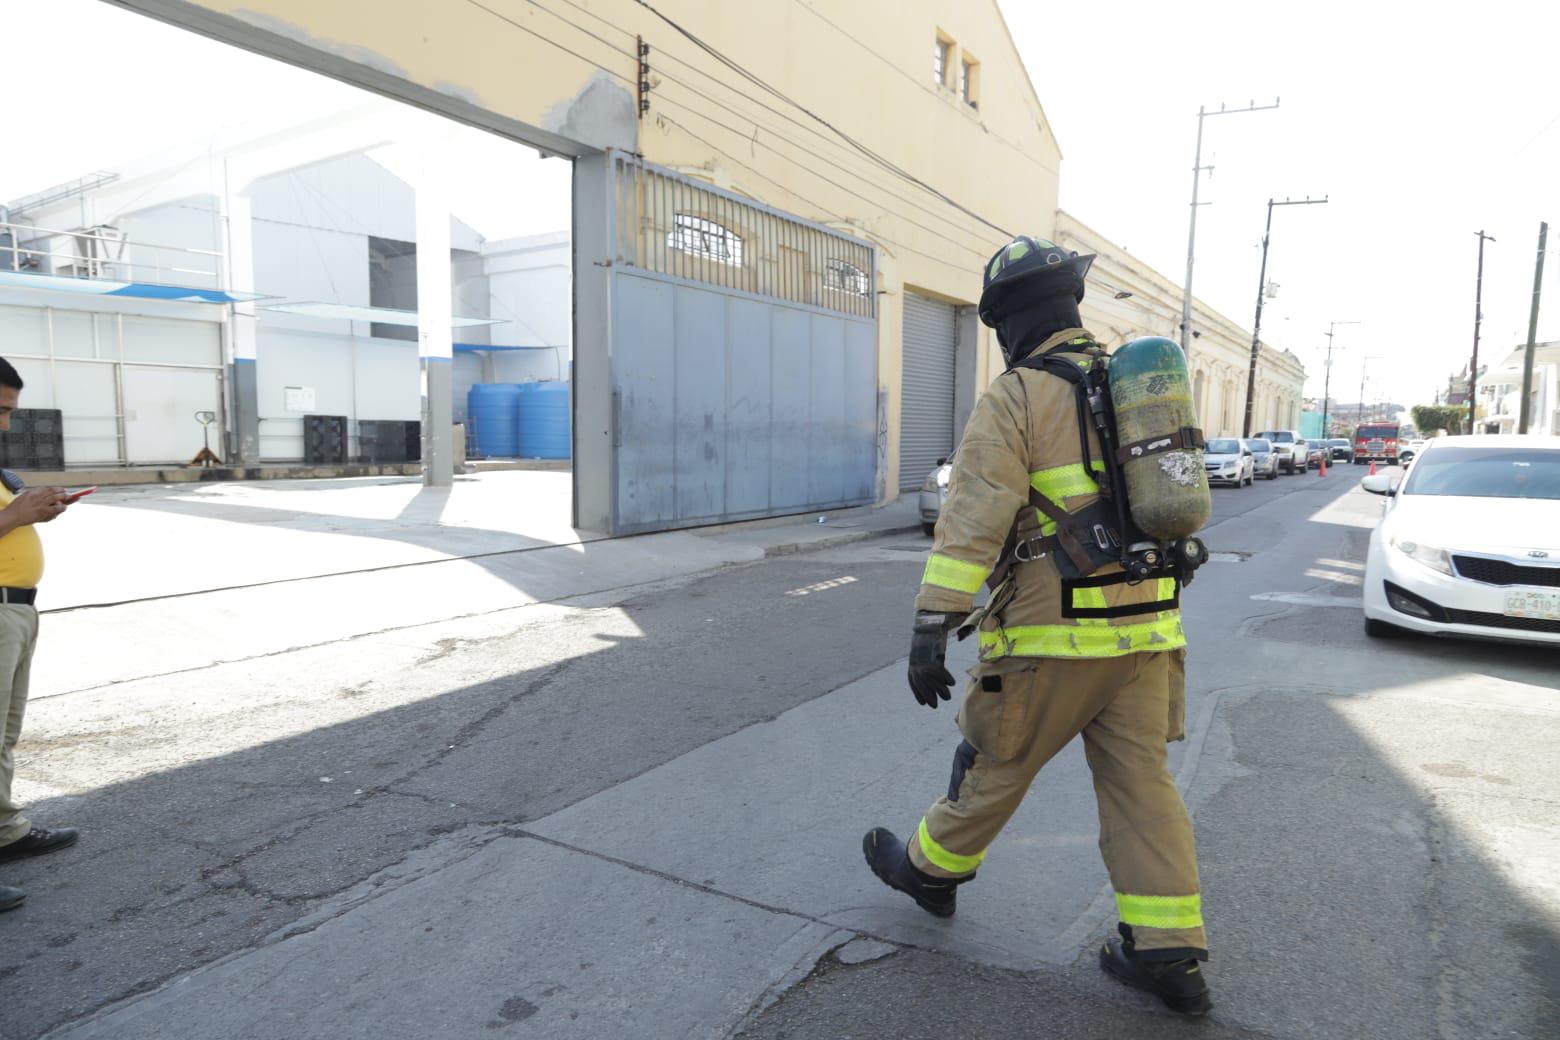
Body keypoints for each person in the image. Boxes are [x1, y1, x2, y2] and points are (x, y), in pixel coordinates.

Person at [862, 237, 1212, 1014]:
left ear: (1010, 322)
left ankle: (929, 871)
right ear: (1069, 305)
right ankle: (1170, 954)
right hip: (1150, 630)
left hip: (1055, 636)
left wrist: (931, 627)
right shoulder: (1130, 384)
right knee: (1142, 786)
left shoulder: (1018, 396)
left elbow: (972, 521)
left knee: (995, 761)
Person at [0, 356, 78, 913]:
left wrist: (34, 511)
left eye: (11, 412)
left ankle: (4, 831)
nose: (6, 424)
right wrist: (15, 515)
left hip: (17, 612)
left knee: (4, 735)